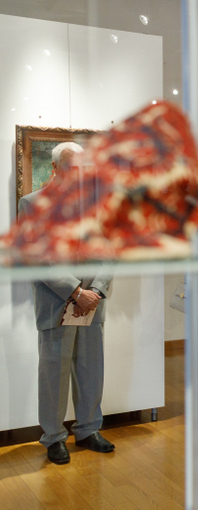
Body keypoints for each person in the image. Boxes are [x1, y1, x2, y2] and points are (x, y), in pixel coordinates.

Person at [19, 142, 114, 464]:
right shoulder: (32, 204)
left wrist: (96, 290)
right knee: (53, 374)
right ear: (55, 168)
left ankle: (88, 429)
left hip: (92, 304)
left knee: (91, 369)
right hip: (57, 302)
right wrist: (75, 291)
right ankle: (54, 437)